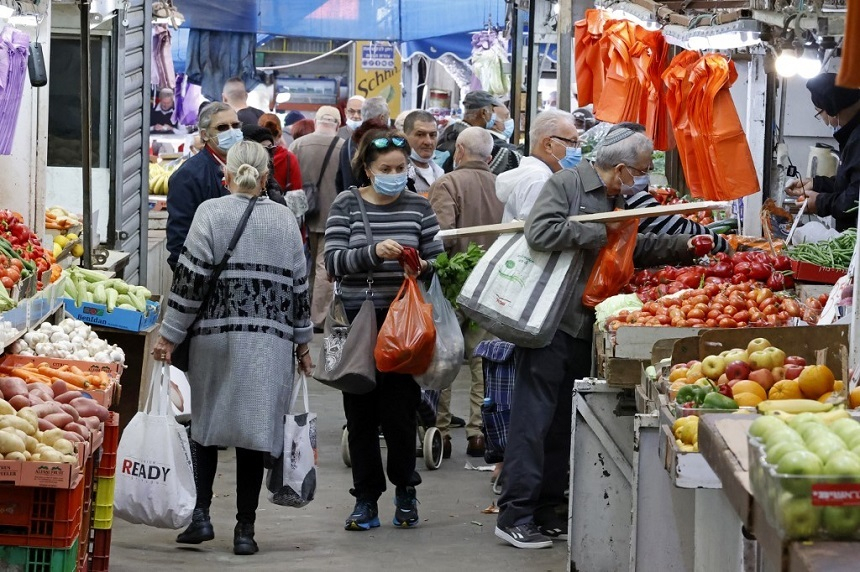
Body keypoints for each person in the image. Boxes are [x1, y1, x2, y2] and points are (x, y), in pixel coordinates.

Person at [495, 127, 721, 550]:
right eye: (639, 171)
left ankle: (547, 510)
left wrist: (686, 246)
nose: (642, 180)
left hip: (586, 324)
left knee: (562, 422)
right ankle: (514, 515)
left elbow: (633, 246)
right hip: (551, 321)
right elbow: (540, 232)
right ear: (620, 168)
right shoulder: (566, 184)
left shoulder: (617, 199)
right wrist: (600, 233)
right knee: (533, 420)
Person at [153, 140, 313, 556]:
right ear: (265, 178)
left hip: (215, 341)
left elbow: (188, 285)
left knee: (204, 428)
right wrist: (303, 344)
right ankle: (245, 530)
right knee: (253, 435)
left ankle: (201, 517)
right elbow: (300, 289)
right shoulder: (284, 220)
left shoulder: (211, 213)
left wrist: (169, 334)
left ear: (226, 176)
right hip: (270, 345)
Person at [325, 127, 444, 531]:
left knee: (399, 415)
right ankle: (365, 500)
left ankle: (405, 491)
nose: (395, 173)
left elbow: (438, 260)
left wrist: (421, 266)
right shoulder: (346, 204)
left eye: (401, 167)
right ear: (368, 170)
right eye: (386, 168)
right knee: (359, 416)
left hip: (403, 329)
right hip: (357, 322)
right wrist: (372, 253)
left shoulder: (418, 207)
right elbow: (333, 262)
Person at [427, 127, 504, 459]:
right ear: (488, 156)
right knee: (482, 363)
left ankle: (441, 433)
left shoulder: (447, 184)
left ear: (458, 150)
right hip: (491, 285)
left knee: (444, 360)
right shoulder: (503, 185)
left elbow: (439, 239)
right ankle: (479, 433)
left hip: (452, 287)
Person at [290, 105, 345, 329]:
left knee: (305, 264)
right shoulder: (345, 147)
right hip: (334, 214)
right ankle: (319, 318)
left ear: (315, 121)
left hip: (303, 214)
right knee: (324, 266)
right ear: (338, 124)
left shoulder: (298, 145)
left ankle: (301, 313)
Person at [166, 102, 239, 269]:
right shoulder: (188, 175)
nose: (232, 132)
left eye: (235, 125)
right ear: (205, 135)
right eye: (222, 128)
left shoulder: (245, 167)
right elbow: (179, 236)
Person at [785, 73, 860, 231]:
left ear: (832, 110)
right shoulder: (852, 135)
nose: (824, 121)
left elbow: (855, 200)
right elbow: (852, 182)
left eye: (819, 113)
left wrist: (819, 202)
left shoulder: (857, 139)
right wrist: (817, 184)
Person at [497, 109, 582, 223]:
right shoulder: (540, 181)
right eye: (572, 142)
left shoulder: (535, 174)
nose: (577, 150)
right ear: (548, 145)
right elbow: (537, 233)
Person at [437, 90, 521, 175]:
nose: (493, 115)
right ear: (484, 113)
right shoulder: (475, 138)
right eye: (492, 111)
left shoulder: (450, 130)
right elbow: (509, 160)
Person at [336, 96, 390, 192]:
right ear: (382, 117)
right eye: (388, 115)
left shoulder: (348, 143)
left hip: (352, 200)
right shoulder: (386, 141)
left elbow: (339, 181)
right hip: (380, 200)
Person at [240, 125, 289, 207]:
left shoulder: (273, 185)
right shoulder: (235, 187)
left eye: (271, 148)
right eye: (262, 149)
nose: (268, 155)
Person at [258, 114, 303, 192]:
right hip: (282, 202)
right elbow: (296, 190)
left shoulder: (250, 156)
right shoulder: (289, 158)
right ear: (280, 134)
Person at [403, 110, 444, 196]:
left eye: (432, 135)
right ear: (405, 137)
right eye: (420, 134)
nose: (428, 142)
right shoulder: (399, 174)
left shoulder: (440, 173)